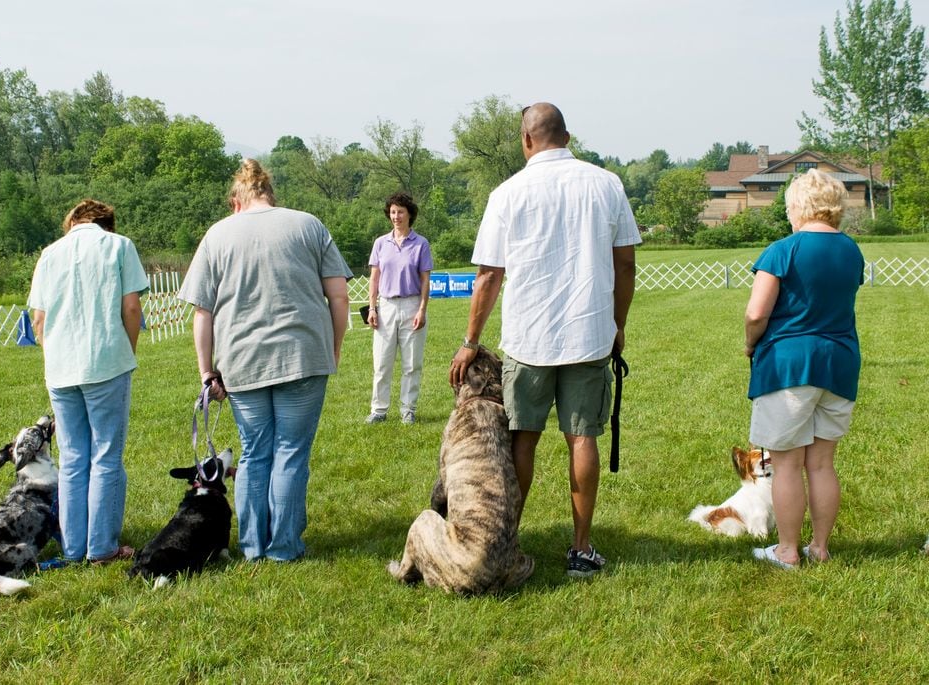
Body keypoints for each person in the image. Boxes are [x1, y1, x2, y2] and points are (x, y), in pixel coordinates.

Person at [449, 103, 640, 579]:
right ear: (568, 136)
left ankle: (507, 542)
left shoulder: (507, 192)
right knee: (582, 437)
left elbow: (489, 275)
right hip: (590, 331)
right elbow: (626, 265)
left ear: (526, 140)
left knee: (523, 440)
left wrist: (470, 340)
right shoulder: (606, 183)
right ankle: (581, 548)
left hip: (528, 337)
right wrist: (618, 325)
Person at [178, 159, 352, 562]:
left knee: (254, 454)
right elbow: (339, 295)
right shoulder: (308, 224)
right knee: (291, 451)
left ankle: (253, 546)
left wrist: (207, 371)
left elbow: (202, 312)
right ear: (270, 194)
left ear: (236, 200)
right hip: (304, 354)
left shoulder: (217, 234)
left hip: (242, 361)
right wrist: (335, 345)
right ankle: (285, 546)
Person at [745, 168, 864, 570]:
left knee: (787, 464)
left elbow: (757, 312)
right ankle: (821, 546)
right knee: (822, 463)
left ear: (797, 206)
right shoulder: (852, 251)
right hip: (841, 363)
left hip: (790, 365)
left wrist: (749, 343)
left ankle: (787, 551)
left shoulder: (783, 249)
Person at [28, 199, 149, 566]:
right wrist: (125, 350)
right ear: (107, 224)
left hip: (61, 368)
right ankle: (102, 547)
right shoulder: (119, 246)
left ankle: (73, 546)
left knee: (73, 457)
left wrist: (54, 355)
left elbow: (38, 319)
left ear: (72, 223)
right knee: (106, 455)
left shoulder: (50, 254)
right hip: (106, 361)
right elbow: (131, 308)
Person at [365, 192, 433, 425]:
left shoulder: (421, 244)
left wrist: (422, 309)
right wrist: (372, 308)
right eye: (393, 212)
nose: (396, 216)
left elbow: (425, 279)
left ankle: (408, 410)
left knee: (412, 363)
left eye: (400, 212)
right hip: (386, 306)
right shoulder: (380, 243)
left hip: (412, 304)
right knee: (382, 363)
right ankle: (379, 410)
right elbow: (374, 278)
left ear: (409, 214)